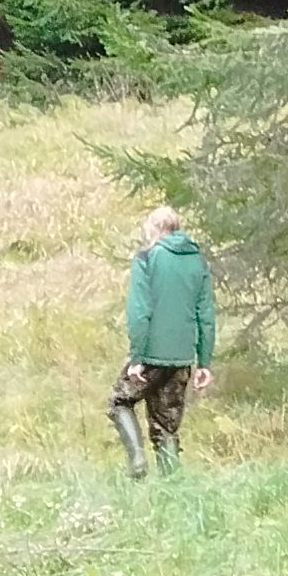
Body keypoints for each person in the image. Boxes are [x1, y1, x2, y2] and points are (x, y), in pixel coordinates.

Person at [109, 204, 217, 477]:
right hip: (181, 358)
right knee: (166, 426)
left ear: (155, 229)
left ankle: (136, 463)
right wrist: (204, 362)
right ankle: (171, 490)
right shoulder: (198, 262)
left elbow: (139, 312)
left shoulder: (146, 259)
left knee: (119, 402)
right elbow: (205, 315)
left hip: (150, 355)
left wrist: (136, 358)